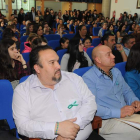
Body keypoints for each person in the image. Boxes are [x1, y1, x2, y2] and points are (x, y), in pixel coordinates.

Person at [12, 45, 101, 140]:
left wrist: (73, 127)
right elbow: (23, 125)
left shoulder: (73, 79)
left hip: (86, 136)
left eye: (57, 61)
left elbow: (90, 103)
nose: (58, 66)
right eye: (52, 63)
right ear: (37, 68)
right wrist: (56, 128)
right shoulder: (22, 91)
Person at [82, 45, 140, 140]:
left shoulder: (116, 72)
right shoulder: (88, 79)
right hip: (106, 121)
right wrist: (118, 112)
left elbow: (127, 91)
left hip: (126, 116)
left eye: (112, 53)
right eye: (108, 55)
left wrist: (134, 100)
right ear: (98, 60)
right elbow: (92, 107)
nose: (113, 56)